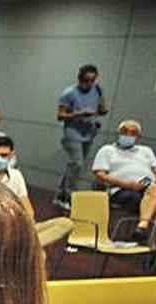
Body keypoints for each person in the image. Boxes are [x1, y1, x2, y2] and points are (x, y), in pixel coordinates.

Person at [92, 119, 156, 242]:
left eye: (133, 132)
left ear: (137, 136)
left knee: (154, 188)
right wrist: (128, 185)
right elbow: (100, 175)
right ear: (118, 132)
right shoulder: (107, 150)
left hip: (148, 187)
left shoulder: (146, 151)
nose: (128, 135)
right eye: (125, 131)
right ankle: (150, 243)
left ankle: (142, 227)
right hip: (122, 190)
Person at [56, 63, 110, 210]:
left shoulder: (97, 90)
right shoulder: (69, 93)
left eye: (93, 80)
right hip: (72, 132)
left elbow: (102, 108)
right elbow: (60, 115)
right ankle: (69, 196)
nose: (90, 83)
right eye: (87, 80)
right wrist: (79, 113)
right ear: (80, 79)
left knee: (75, 166)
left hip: (88, 132)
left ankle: (60, 194)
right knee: (77, 163)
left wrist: (102, 110)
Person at [0, 136, 34, 219]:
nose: (0, 159)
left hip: (13, 222)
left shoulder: (16, 175)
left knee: (61, 222)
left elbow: (27, 208)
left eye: (4, 155)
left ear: (11, 155)